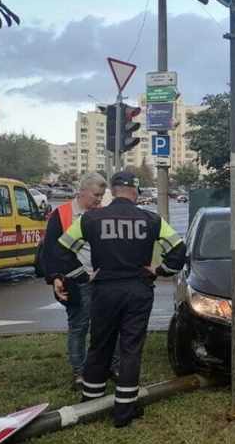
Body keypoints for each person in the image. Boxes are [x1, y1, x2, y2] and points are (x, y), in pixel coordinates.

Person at [53, 171, 186, 427]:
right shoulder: (152, 219)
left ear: (113, 191)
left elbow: (61, 250)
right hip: (138, 290)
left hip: (104, 291)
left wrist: (83, 276)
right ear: (135, 191)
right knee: (130, 348)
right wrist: (159, 271)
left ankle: (90, 403)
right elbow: (178, 251)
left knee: (100, 344)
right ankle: (124, 411)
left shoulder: (90, 218)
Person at [41, 173, 119, 390]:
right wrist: (56, 278)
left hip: (103, 279)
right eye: (96, 195)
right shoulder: (62, 214)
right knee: (79, 326)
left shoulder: (101, 213)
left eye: (102, 195)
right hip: (76, 281)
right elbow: (51, 252)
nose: (99, 199)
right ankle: (80, 372)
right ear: (82, 191)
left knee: (108, 325)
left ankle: (112, 365)